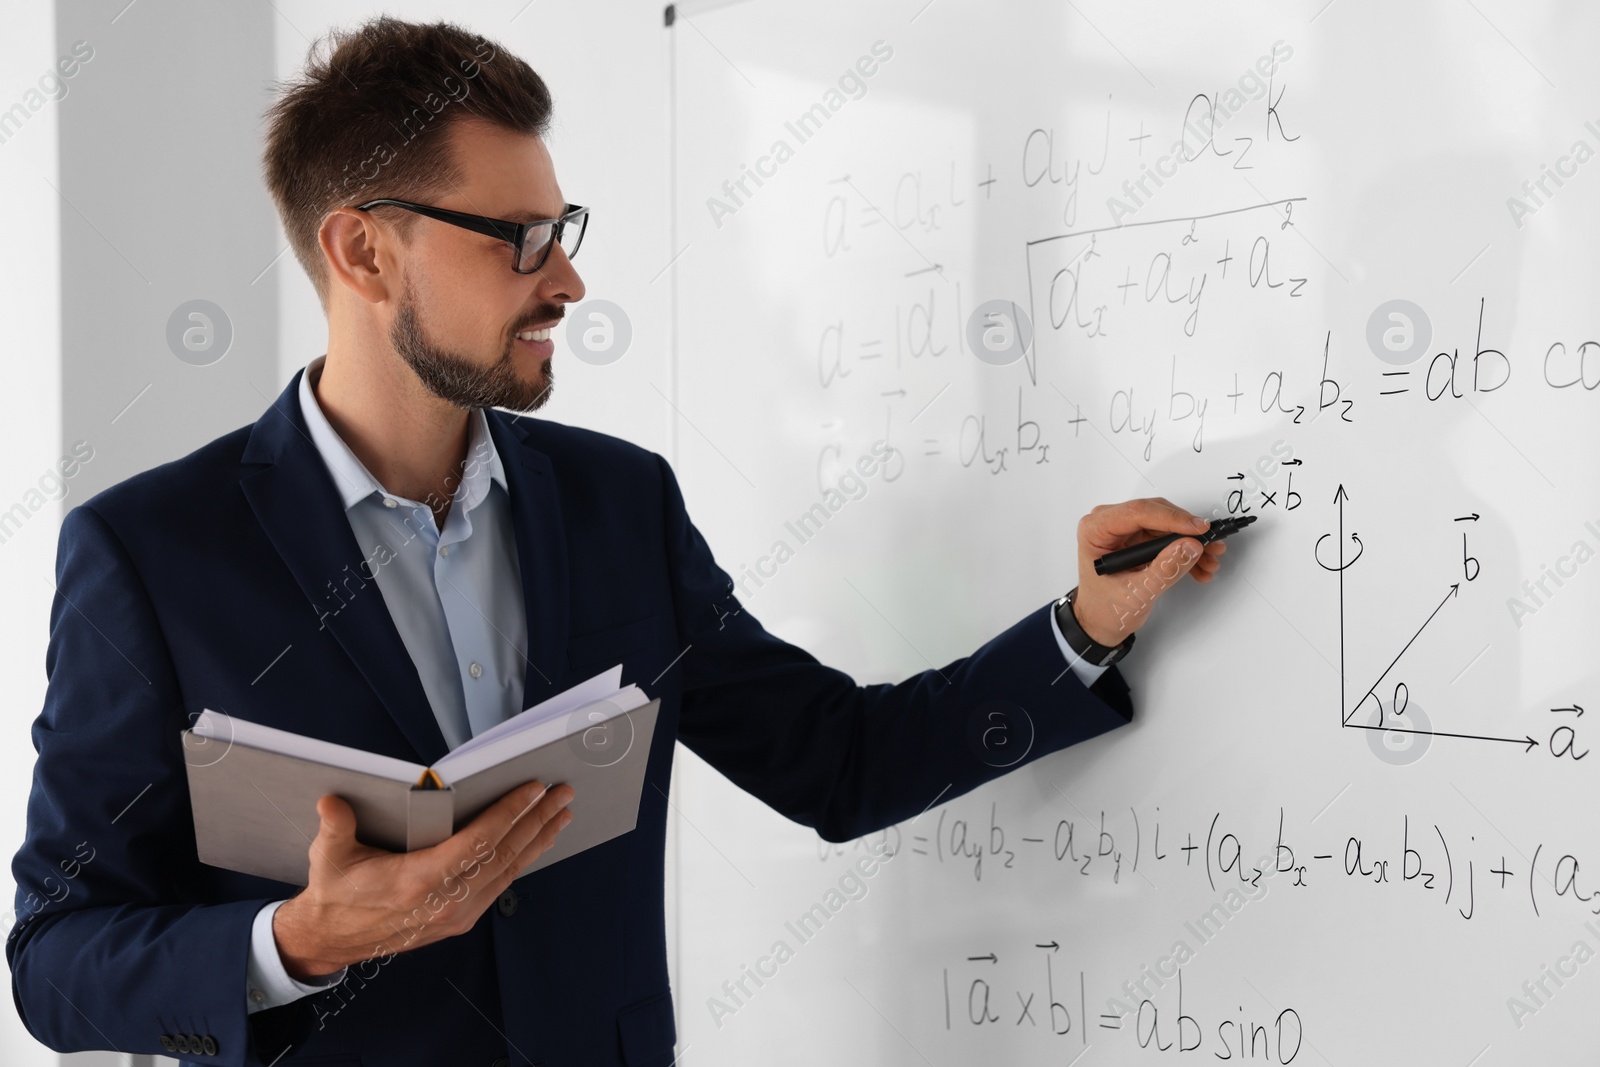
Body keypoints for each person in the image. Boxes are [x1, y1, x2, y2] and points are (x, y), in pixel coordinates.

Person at [6, 16, 1227, 1067]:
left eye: (564, 226)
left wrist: (1083, 627)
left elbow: (840, 762)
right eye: (519, 238)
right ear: (364, 250)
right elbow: (57, 957)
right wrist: (297, 941)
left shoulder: (616, 502)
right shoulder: (152, 551)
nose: (570, 280)